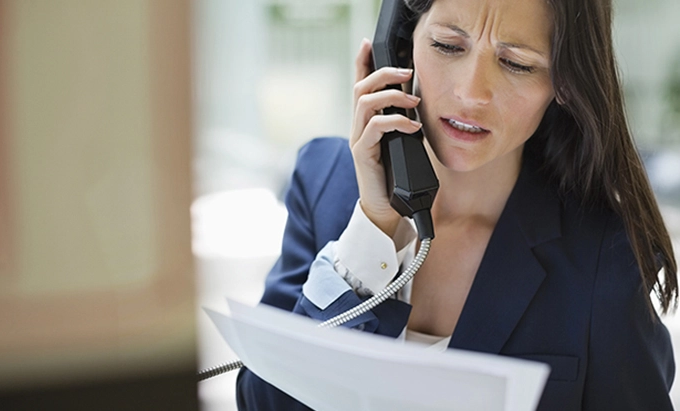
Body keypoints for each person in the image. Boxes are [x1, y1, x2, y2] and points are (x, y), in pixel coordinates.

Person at [236, 0, 678, 409]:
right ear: (400, 46)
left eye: (516, 64)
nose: (471, 94)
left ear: (563, 82)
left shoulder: (605, 256)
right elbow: (262, 401)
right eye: (447, 46)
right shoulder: (322, 182)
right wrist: (369, 233)